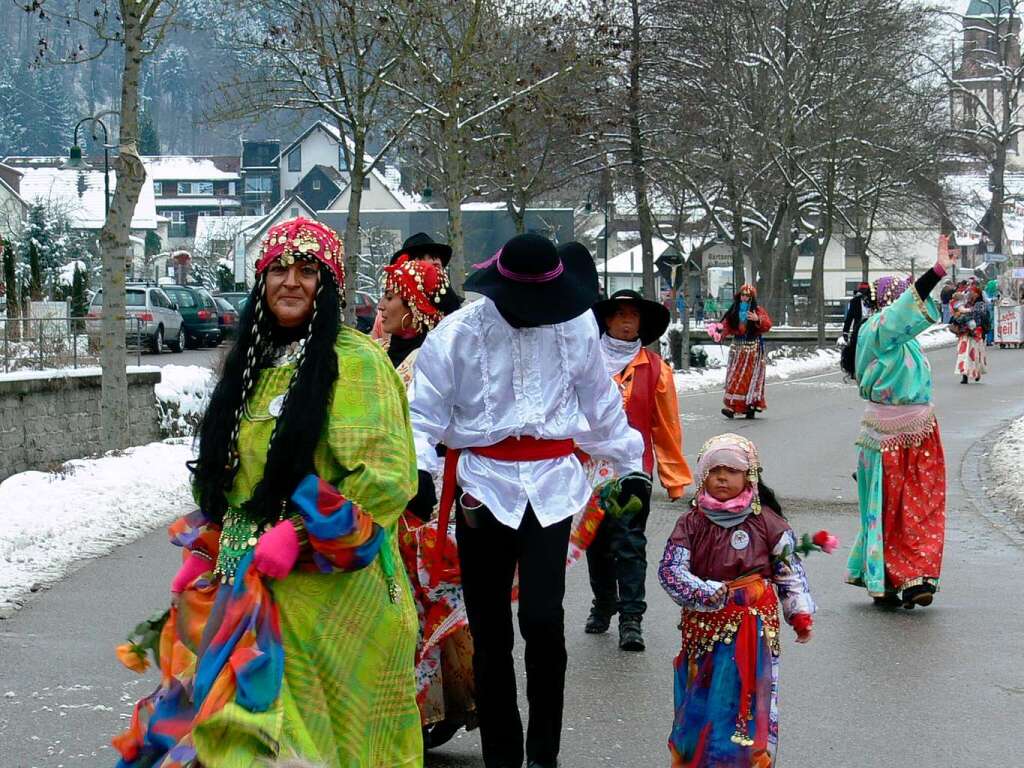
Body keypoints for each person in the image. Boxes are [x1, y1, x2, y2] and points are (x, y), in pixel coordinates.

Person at [112, 217, 422, 767]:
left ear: (329, 285)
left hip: (333, 594)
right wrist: (211, 537)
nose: (291, 281)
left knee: (317, 745)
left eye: (308, 270)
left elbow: (386, 477)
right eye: (278, 268)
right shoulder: (250, 361)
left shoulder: (357, 363)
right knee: (231, 737)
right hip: (243, 586)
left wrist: (299, 533)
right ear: (261, 280)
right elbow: (232, 474)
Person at [407, 234, 647, 768]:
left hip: (552, 488)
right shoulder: (459, 333)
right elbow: (422, 413)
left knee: (542, 620)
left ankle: (543, 755)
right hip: (482, 487)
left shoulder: (575, 326)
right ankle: (502, 757)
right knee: (490, 632)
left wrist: (632, 467)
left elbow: (602, 405)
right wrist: (420, 471)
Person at [658, 433, 815, 768]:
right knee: (701, 695)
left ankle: (742, 761)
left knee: (744, 698)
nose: (722, 477)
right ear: (703, 476)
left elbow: (788, 571)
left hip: (753, 631)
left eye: (732, 470)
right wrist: (704, 592)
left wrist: (798, 612)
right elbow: (671, 570)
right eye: (715, 471)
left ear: (750, 476)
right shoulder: (691, 522)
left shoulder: (767, 523)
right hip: (704, 628)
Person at [377, 254, 478, 750]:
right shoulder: (384, 350)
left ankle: (418, 713)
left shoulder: (431, 358)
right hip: (386, 499)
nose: (383, 304)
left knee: (419, 610)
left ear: (415, 303)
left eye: (393, 295)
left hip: (425, 503)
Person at [845, 246, 955, 608]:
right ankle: (900, 578)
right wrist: (936, 272)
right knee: (895, 507)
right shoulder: (877, 330)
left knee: (918, 506)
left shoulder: (903, 341)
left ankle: (914, 575)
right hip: (890, 439)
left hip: (919, 432)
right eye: (908, 296)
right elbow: (903, 310)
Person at [584, 289, 694, 651]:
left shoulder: (655, 368)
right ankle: (604, 603)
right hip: (587, 471)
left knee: (630, 542)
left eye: (634, 315)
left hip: (633, 471)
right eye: (621, 314)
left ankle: (632, 617)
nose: (628, 321)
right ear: (608, 320)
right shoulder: (585, 360)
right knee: (597, 543)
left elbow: (666, 425)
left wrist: (674, 476)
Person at [372, 231, 461, 340]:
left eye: (436, 266)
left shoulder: (459, 316)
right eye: (419, 262)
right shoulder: (387, 316)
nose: (432, 271)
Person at [710, 285, 773, 419]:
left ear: (752, 298)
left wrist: (758, 320)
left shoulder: (757, 310)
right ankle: (732, 406)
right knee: (735, 377)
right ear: (739, 296)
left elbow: (767, 324)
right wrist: (719, 334)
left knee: (749, 378)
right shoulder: (733, 310)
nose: (744, 297)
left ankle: (750, 405)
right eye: (742, 295)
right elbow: (726, 326)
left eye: (748, 295)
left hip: (753, 349)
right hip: (737, 349)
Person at [948, 282, 989, 384]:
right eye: (971, 292)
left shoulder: (981, 304)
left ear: (978, 294)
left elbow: (979, 316)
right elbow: (958, 312)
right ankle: (964, 374)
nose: (971, 294)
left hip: (976, 333)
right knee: (963, 354)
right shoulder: (966, 303)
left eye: (973, 292)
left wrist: (965, 312)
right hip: (965, 332)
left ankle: (976, 372)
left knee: (975, 355)